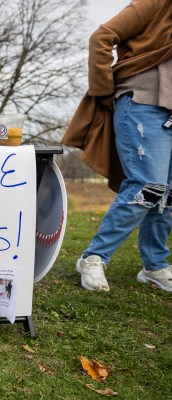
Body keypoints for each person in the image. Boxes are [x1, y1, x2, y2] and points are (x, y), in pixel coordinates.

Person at [62, 0, 172, 293]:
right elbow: (102, 36)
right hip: (143, 104)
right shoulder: (155, 3)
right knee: (147, 186)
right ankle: (93, 257)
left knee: (168, 194)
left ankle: (155, 265)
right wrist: (104, 90)